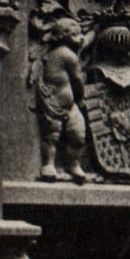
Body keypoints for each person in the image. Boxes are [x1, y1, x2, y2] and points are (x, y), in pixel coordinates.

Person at [33, 17, 88, 183]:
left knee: (77, 134)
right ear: (64, 36)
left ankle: (72, 165)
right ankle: (49, 165)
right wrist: (81, 97)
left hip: (67, 105)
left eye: (81, 33)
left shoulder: (60, 53)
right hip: (54, 103)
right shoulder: (67, 54)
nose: (81, 37)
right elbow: (78, 80)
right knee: (53, 136)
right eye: (75, 34)